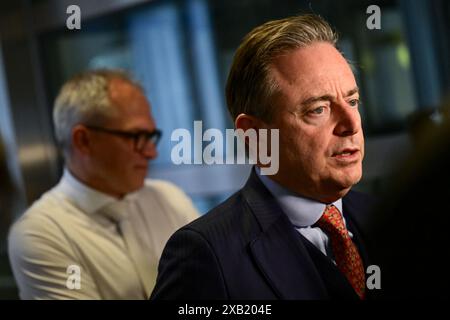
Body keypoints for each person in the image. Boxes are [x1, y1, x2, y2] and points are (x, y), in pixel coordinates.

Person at [151, 14, 376, 300]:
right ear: (254, 134)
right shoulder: (205, 255)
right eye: (318, 109)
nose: (351, 125)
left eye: (352, 101)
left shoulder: (393, 218)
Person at [8, 69, 199, 299]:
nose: (151, 152)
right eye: (135, 137)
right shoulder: (40, 232)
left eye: (151, 136)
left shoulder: (168, 198)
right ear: (84, 140)